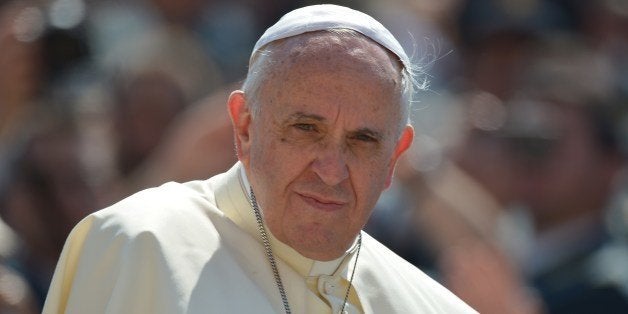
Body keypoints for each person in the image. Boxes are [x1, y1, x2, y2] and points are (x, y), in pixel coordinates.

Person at [42, 4, 476, 314]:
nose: (331, 170)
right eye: (307, 129)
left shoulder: (432, 306)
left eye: (363, 141)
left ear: (395, 157)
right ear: (245, 127)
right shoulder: (141, 247)